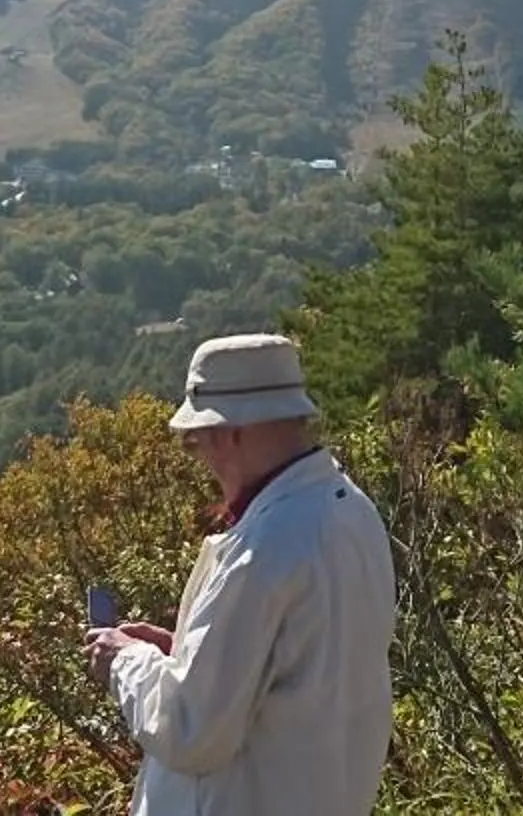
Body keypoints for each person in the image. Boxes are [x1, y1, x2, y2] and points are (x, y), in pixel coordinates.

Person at [83, 331, 398, 815]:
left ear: (230, 431)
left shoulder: (264, 548)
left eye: (195, 441)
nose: (200, 457)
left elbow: (192, 729)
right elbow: (299, 679)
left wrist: (125, 660)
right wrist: (184, 656)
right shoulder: (352, 513)